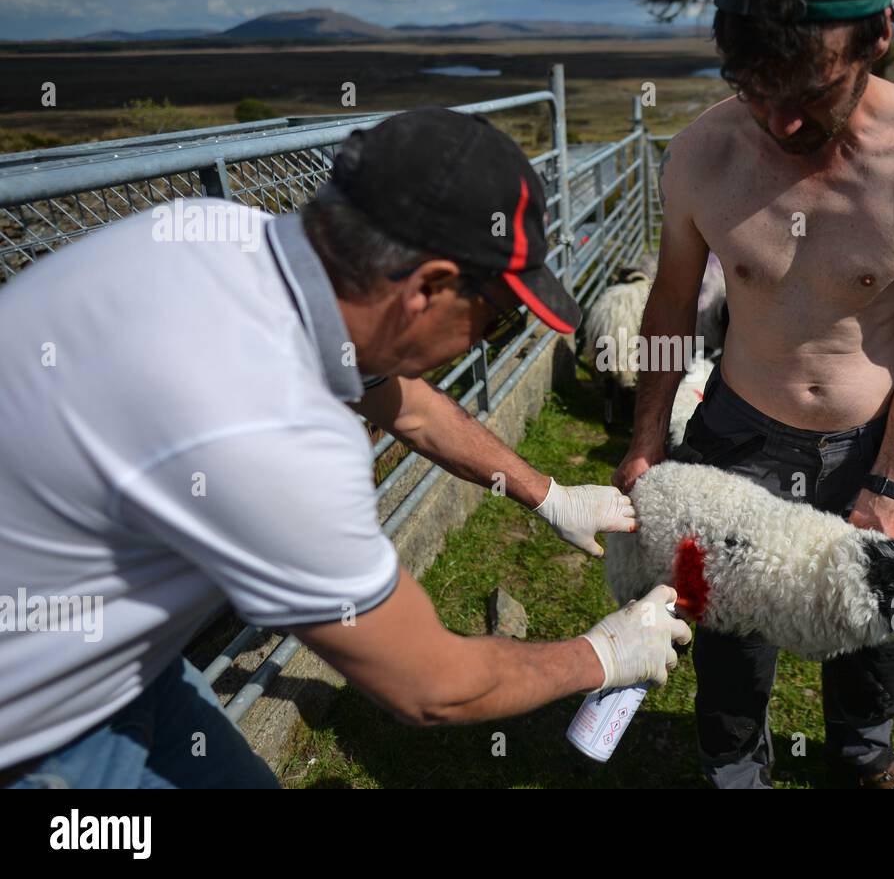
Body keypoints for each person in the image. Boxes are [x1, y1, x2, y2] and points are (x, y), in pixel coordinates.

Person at [0, 107, 689, 789]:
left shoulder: (222, 236)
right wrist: (602, 657)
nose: (481, 343)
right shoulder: (269, 427)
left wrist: (549, 494)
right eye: (494, 321)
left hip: (107, 660)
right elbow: (431, 685)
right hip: (33, 732)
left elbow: (408, 406)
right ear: (427, 289)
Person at [613, 0, 894, 788]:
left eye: (812, 89)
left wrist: (891, 487)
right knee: (725, 630)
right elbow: (673, 302)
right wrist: (646, 437)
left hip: (883, 440)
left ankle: (862, 760)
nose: (783, 119)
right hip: (740, 441)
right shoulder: (702, 157)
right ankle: (735, 769)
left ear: (881, 33)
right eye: (755, 88)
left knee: (876, 621)